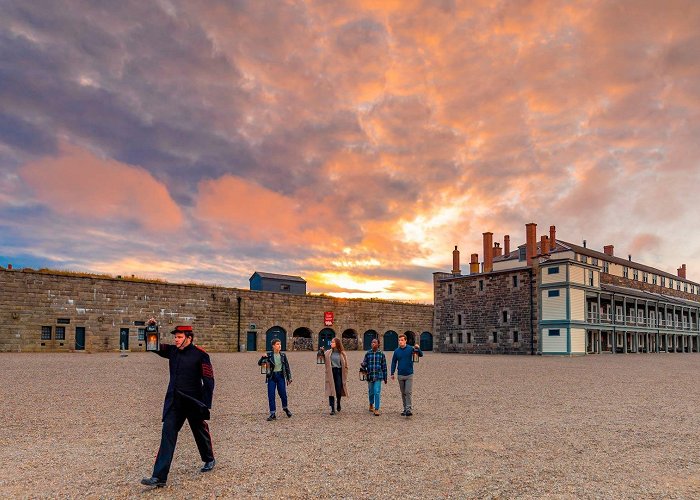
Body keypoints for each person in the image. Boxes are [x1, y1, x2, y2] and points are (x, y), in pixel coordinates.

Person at [141, 325, 216, 488]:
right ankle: (159, 476)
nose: (176, 339)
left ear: (189, 338)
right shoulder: (172, 351)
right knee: (167, 433)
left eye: (179, 337)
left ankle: (209, 459)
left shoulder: (201, 355)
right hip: (175, 402)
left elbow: (209, 380)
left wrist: (205, 404)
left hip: (193, 401)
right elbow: (152, 345)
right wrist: (151, 329)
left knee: (199, 431)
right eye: (175, 337)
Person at [258, 338, 293, 421]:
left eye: (280, 344)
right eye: (277, 344)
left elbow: (287, 367)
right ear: (273, 346)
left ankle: (285, 408)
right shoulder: (269, 355)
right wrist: (262, 357)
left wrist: (289, 378)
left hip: (281, 376)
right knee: (271, 395)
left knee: (283, 394)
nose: (279, 345)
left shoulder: (283, 355)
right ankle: (272, 413)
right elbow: (259, 363)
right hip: (271, 377)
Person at [390, 333, 423, 416]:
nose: (400, 342)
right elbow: (394, 362)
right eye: (399, 340)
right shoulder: (396, 351)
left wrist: (418, 348)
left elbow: (420, 355)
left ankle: (408, 409)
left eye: (402, 340)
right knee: (403, 393)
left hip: (409, 374)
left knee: (408, 392)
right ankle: (405, 408)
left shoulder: (410, 349)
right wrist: (392, 372)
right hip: (400, 375)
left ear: (405, 341)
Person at [362, 337, 387, 416]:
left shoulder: (381, 354)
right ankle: (371, 404)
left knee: (377, 392)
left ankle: (376, 409)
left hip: (378, 376)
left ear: (378, 344)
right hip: (370, 375)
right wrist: (363, 365)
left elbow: (384, 366)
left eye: (374, 342)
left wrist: (385, 377)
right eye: (372, 342)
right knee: (371, 392)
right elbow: (365, 362)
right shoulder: (368, 353)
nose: (373, 343)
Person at [324, 337, 348, 415]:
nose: (331, 343)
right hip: (331, 372)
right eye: (331, 342)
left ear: (337, 343)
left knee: (338, 390)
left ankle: (338, 402)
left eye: (333, 342)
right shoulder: (328, 353)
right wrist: (321, 351)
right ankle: (332, 408)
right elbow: (321, 357)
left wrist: (345, 373)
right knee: (331, 390)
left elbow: (346, 365)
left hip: (339, 372)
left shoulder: (342, 353)